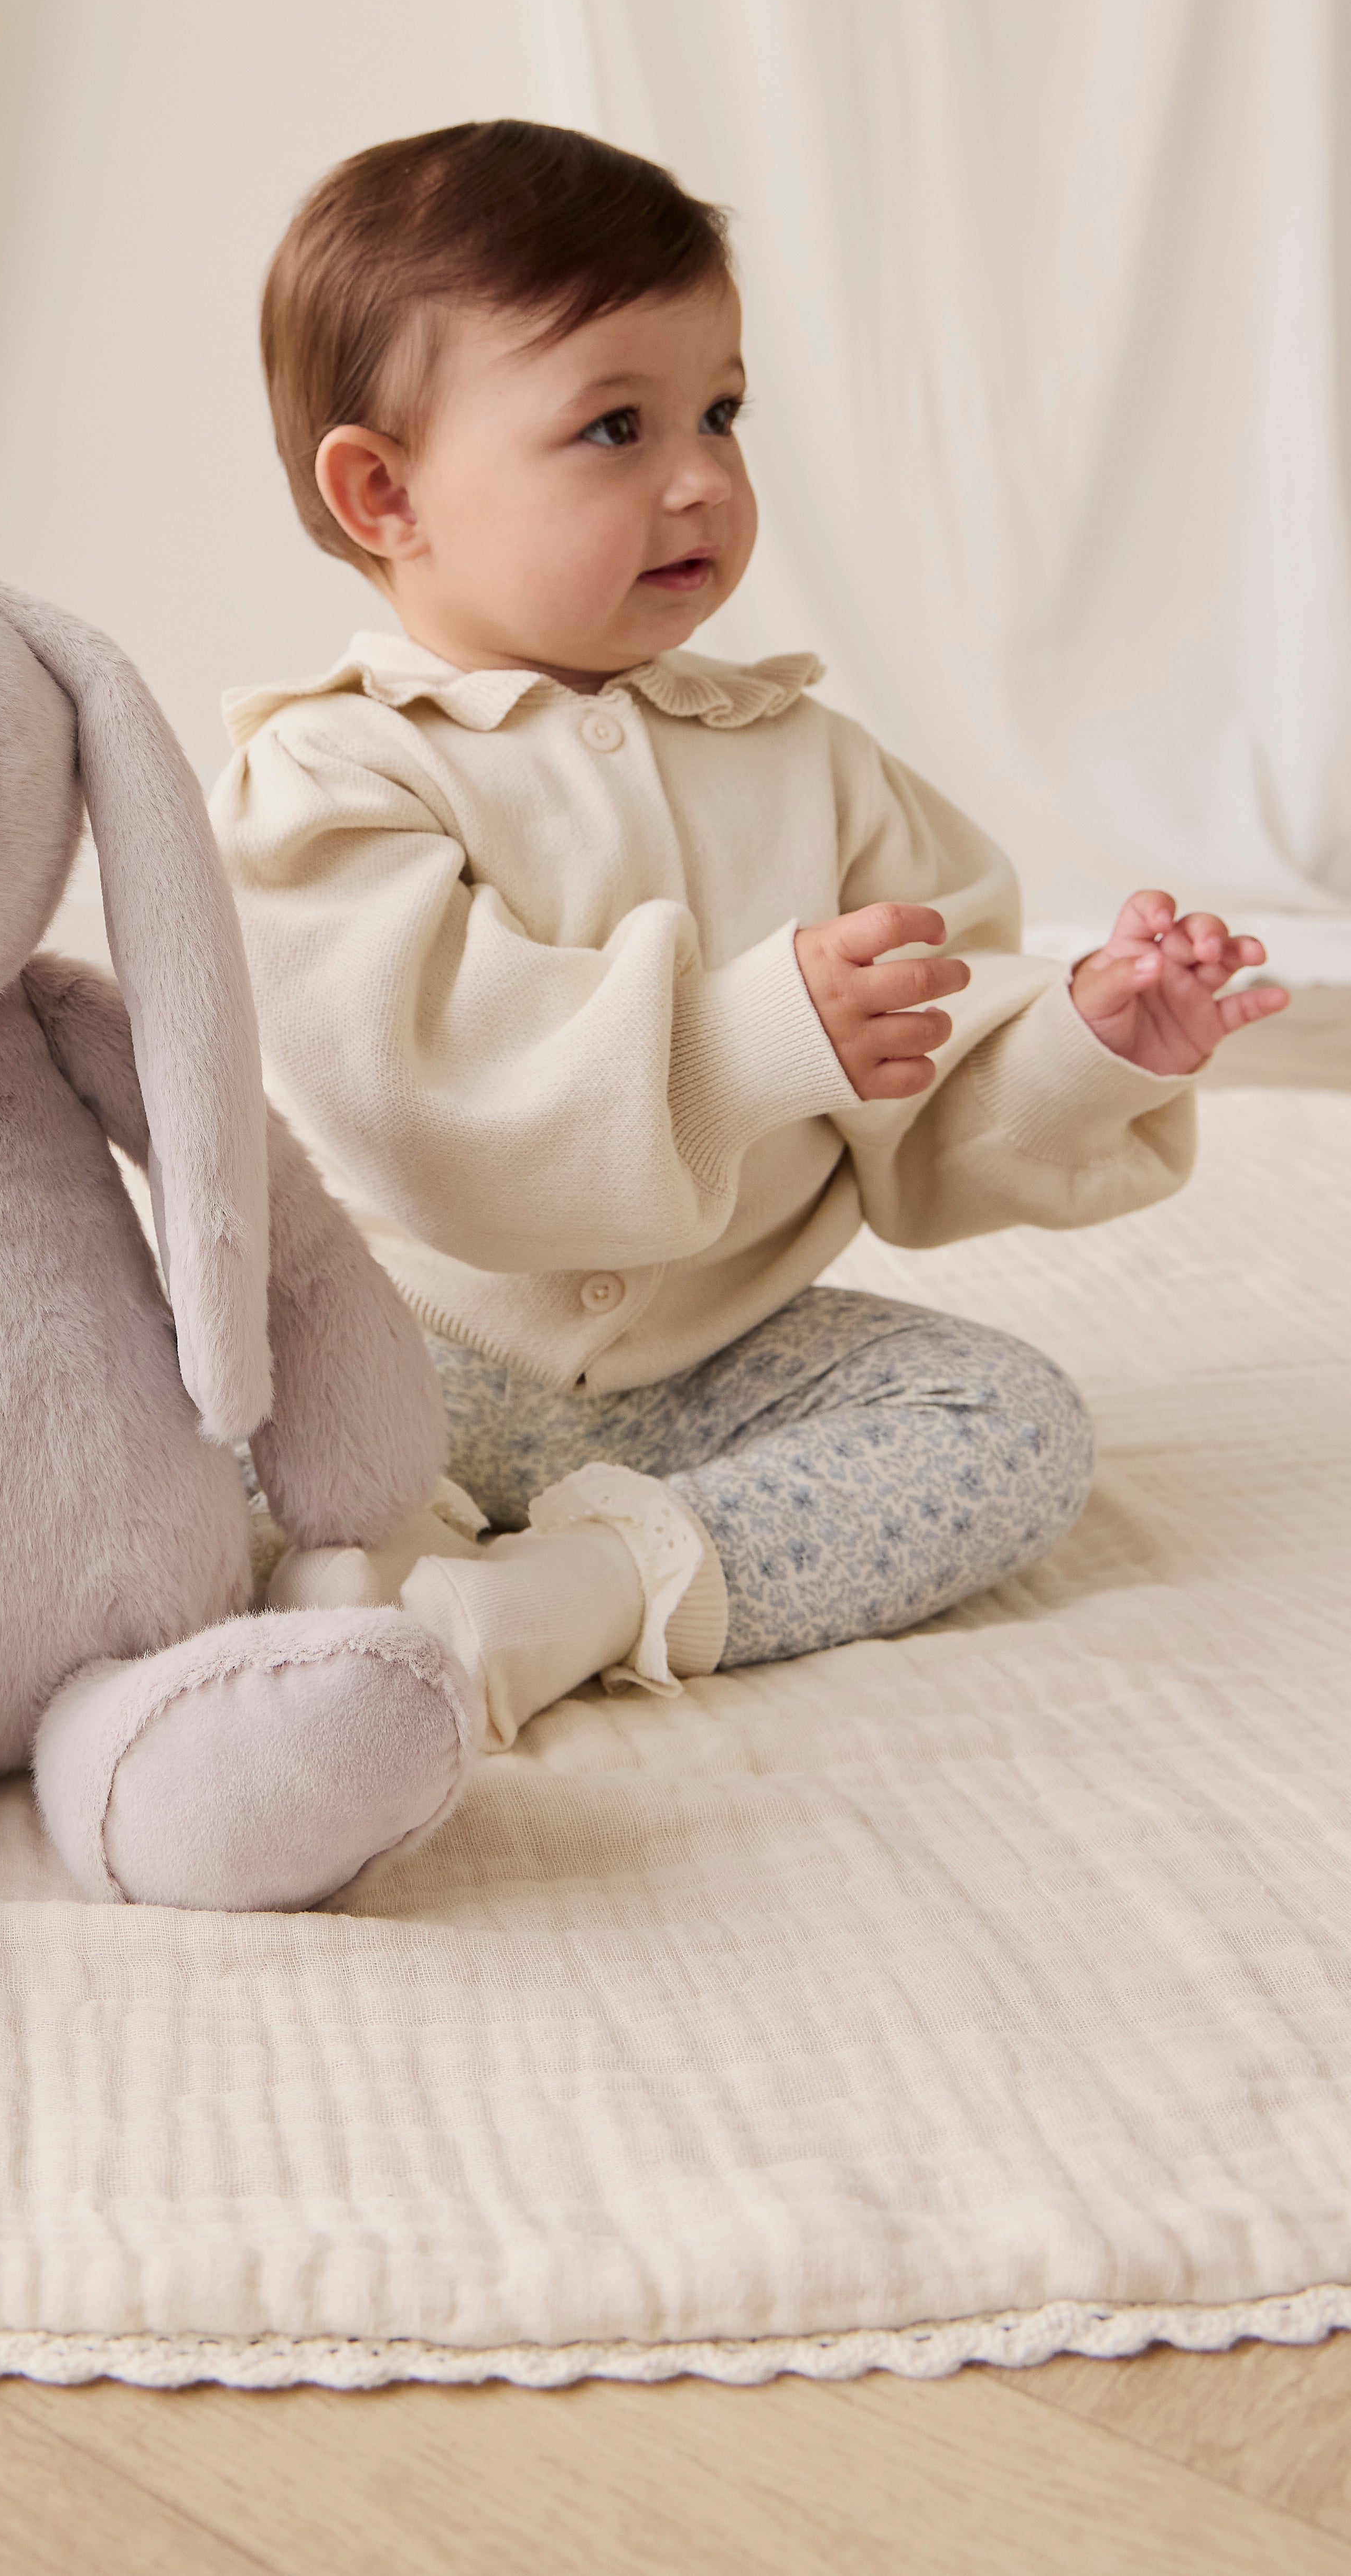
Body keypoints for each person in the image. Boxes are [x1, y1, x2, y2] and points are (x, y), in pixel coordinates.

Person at [211, 121, 1288, 1751]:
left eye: (718, 410)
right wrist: (738, 1038)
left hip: (708, 1359)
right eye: (613, 428)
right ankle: (351, 1587)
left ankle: (572, 1595)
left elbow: (925, 1101)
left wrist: (1078, 1041)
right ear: (384, 493)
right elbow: (428, 1106)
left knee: (1006, 1424)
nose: (701, 475)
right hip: (393, 1346)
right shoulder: (331, 779)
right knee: (163, 1419)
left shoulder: (814, 769)